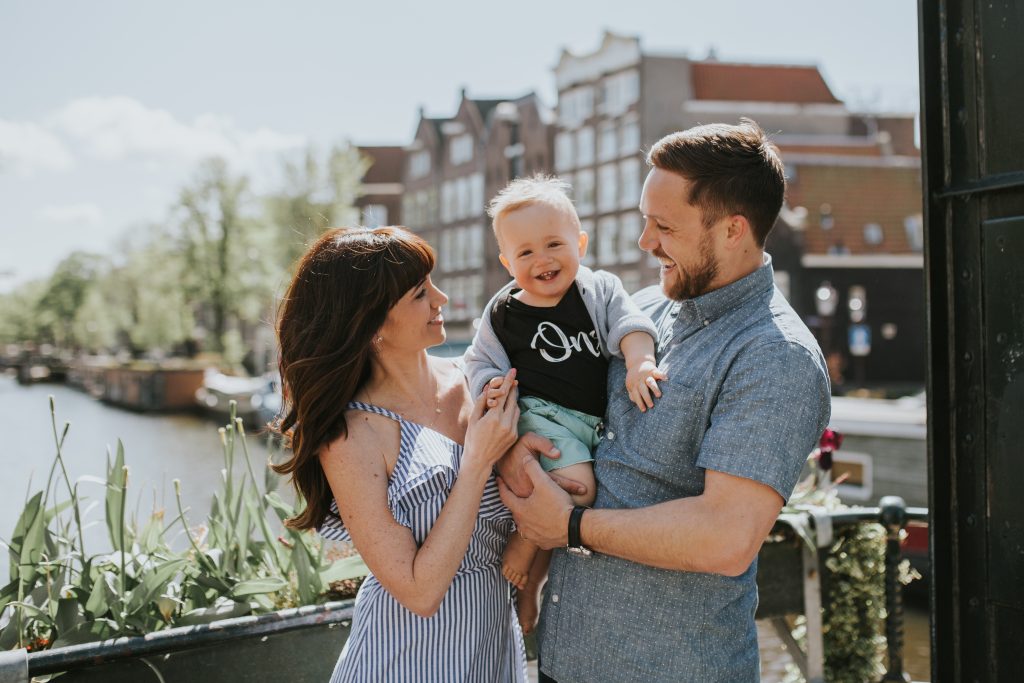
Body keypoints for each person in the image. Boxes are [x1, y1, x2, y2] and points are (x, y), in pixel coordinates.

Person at [496, 120, 832, 682]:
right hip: (565, 661)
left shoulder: (777, 356)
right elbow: (538, 392)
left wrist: (572, 526)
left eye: (664, 226)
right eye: (644, 221)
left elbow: (726, 536)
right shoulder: (640, 311)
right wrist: (515, 452)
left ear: (732, 230)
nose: (644, 242)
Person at [272, 226, 528, 682]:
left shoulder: (477, 380)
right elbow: (418, 592)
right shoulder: (352, 435)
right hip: (407, 659)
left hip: (491, 645)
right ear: (370, 322)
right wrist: (476, 464)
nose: (441, 298)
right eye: (419, 293)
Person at [463, 175, 662, 633]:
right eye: (526, 252)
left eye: (554, 244)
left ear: (581, 243)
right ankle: (523, 540)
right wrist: (490, 386)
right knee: (578, 490)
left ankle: (530, 586)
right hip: (540, 414)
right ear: (506, 261)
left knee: (567, 501)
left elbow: (631, 325)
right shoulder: (503, 312)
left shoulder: (598, 289)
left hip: (590, 423)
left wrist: (640, 362)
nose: (543, 260)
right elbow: (479, 363)